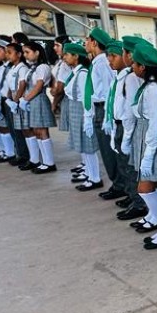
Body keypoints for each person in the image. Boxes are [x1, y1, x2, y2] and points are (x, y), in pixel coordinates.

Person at [123, 43, 157, 250]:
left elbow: (155, 123)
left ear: (143, 67)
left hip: (151, 139)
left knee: (145, 188)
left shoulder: (154, 90)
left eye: (135, 63)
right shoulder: (149, 86)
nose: (133, 67)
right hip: (147, 136)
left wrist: (148, 153)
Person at [110, 37, 147, 219]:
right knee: (126, 166)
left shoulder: (132, 77)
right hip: (121, 124)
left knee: (131, 167)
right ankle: (133, 197)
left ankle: (139, 203)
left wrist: (126, 137)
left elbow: (130, 109)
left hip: (128, 126)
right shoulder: (126, 75)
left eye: (122, 52)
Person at [84, 27, 122, 198]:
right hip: (98, 107)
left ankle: (119, 184)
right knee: (105, 148)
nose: (85, 44)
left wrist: (108, 117)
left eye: (87, 40)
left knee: (108, 149)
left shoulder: (102, 64)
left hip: (103, 108)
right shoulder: (96, 62)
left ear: (94, 42)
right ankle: (117, 183)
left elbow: (108, 91)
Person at [64, 43, 103, 191]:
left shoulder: (83, 74)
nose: (65, 57)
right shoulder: (75, 72)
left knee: (88, 146)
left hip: (82, 110)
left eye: (67, 54)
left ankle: (95, 177)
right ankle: (88, 172)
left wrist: (88, 116)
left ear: (76, 56)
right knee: (82, 145)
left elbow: (87, 97)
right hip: (75, 109)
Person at [18, 41, 57, 173]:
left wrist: (25, 99)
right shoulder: (32, 68)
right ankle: (44, 161)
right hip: (32, 101)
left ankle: (50, 162)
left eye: (27, 52)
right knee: (36, 131)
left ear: (37, 52)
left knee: (42, 131)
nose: (25, 55)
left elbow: (39, 86)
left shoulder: (43, 67)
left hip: (38, 99)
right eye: (24, 52)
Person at [4, 42, 30, 167]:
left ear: (19, 54)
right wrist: (9, 98)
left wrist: (16, 100)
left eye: (10, 52)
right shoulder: (12, 68)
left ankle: (26, 156)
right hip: (13, 100)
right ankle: (20, 153)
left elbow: (22, 84)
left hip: (20, 101)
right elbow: (9, 86)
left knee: (22, 130)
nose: (7, 55)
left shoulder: (22, 67)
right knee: (15, 129)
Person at [50, 35, 73, 133]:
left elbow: (60, 88)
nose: (54, 48)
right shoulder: (60, 62)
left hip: (66, 98)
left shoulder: (65, 64)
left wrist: (54, 104)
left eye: (57, 45)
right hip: (62, 99)